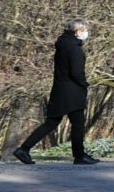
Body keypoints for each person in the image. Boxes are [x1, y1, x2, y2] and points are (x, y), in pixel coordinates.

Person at [13, 21, 99, 166]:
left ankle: (24, 149)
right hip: (72, 92)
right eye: (84, 30)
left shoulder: (63, 46)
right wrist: (84, 84)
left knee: (52, 122)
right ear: (76, 32)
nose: (86, 33)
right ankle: (79, 156)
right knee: (78, 123)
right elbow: (77, 72)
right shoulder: (75, 49)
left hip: (59, 90)